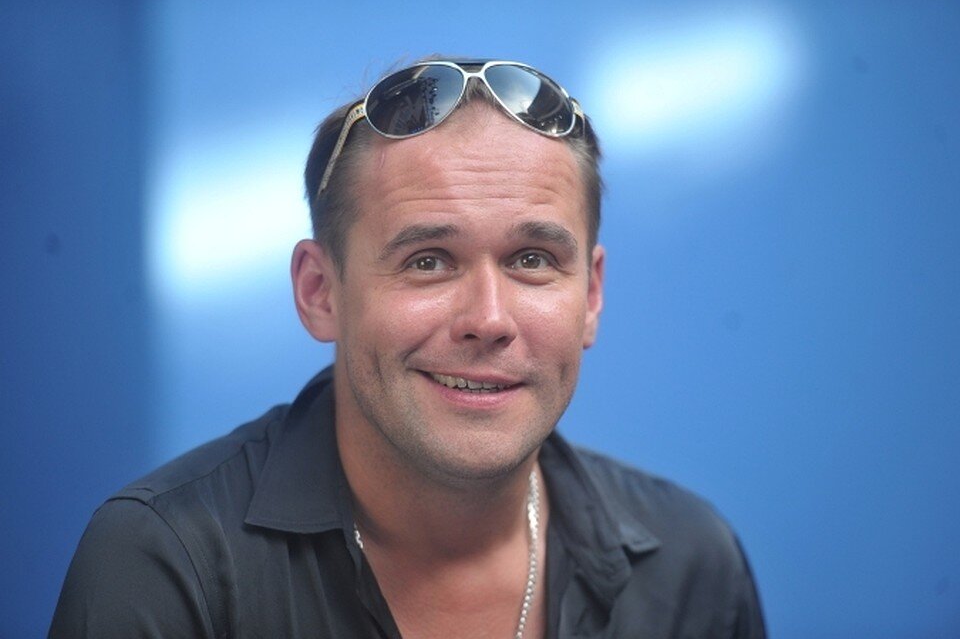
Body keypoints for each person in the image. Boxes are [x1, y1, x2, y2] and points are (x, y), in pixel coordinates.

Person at [50, 59, 765, 638]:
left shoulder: (690, 567)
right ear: (320, 292)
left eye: (532, 260)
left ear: (592, 296)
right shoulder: (167, 566)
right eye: (428, 261)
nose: (488, 319)